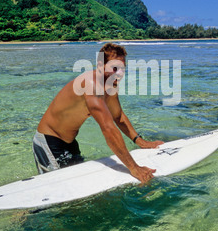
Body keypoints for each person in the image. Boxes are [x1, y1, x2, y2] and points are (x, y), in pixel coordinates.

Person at [33, 43, 164, 183]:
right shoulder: (91, 85)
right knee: (59, 190)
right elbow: (108, 129)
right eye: (115, 68)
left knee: (77, 186)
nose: (119, 73)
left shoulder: (110, 84)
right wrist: (134, 168)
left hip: (70, 142)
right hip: (49, 142)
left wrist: (141, 142)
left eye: (122, 68)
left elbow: (118, 116)